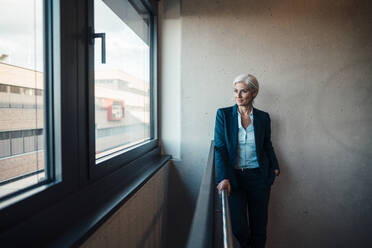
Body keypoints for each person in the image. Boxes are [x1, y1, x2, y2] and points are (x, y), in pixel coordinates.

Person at [214, 74, 280, 248]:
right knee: (239, 228)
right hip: (234, 179)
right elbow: (220, 148)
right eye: (236, 91)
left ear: (254, 92)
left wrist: (275, 167)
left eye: (243, 91)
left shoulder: (263, 118)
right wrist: (223, 177)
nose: (238, 95)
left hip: (259, 177)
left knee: (259, 228)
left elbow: (267, 145)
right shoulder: (224, 115)